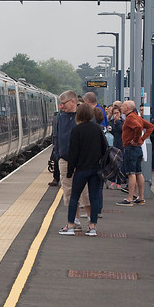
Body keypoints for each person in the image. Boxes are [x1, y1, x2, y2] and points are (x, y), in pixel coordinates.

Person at [60, 103, 107, 236]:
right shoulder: (97, 129)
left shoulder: (76, 130)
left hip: (81, 170)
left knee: (74, 196)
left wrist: (70, 171)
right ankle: (92, 227)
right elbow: (105, 148)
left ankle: (70, 226)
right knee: (94, 197)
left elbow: (73, 152)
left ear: (79, 115)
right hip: (95, 170)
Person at [117, 100, 154, 206]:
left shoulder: (130, 118)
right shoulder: (137, 117)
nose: (121, 108)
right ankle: (141, 197)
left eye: (123, 106)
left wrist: (137, 139)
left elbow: (137, 127)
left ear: (128, 108)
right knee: (138, 172)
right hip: (138, 149)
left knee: (131, 173)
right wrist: (142, 139)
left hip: (131, 148)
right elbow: (150, 127)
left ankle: (129, 198)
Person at [54, 90, 83, 219]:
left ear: (73, 101)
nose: (61, 106)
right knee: (68, 191)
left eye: (63, 103)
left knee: (84, 192)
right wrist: (58, 154)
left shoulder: (83, 117)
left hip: (82, 162)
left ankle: (91, 223)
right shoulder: (61, 117)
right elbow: (57, 136)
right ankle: (73, 219)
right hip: (65, 160)